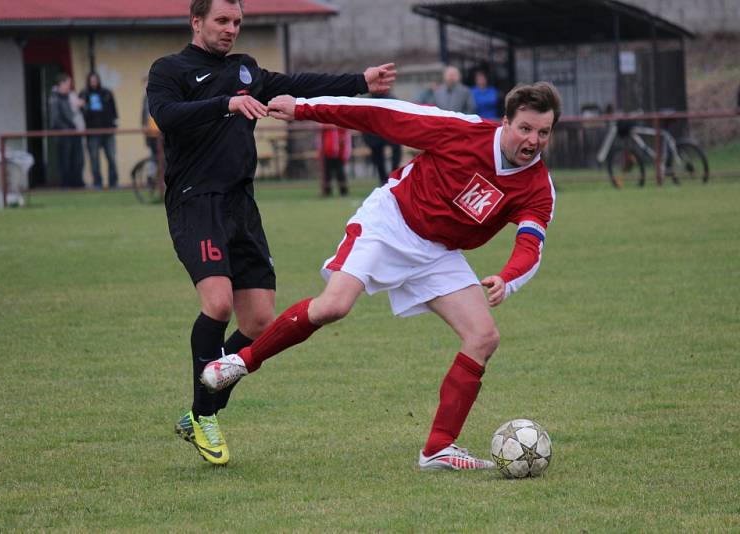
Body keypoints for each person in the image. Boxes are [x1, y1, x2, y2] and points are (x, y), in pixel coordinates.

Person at [203, 81, 561, 471]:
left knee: (483, 336)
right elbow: (379, 115)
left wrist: (506, 278)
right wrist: (304, 108)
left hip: (438, 253)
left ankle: (438, 449)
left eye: (543, 132)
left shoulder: (538, 187)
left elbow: (531, 245)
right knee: (334, 306)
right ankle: (240, 361)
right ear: (505, 122)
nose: (533, 140)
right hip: (390, 222)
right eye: (525, 128)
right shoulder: (461, 130)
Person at [146, 0, 396, 466]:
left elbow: (299, 84)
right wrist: (226, 103)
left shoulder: (246, 69)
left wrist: (360, 82)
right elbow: (166, 114)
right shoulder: (170, 68)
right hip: (197, 202)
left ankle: (198, 413)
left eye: (237, 22)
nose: (231, 29)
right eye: (222, 20)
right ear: (196, 21)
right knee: (218, 304)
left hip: (242, 206)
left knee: (260, 323)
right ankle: (205, 417)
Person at [80, 72, 119, 189]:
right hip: (92, 132)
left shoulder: (106, 92)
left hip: (108, 130)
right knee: (94, 159)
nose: (93, 82)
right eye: (91, 80)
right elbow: (80, 113)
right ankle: (97, 183)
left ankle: (113, 183)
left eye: (95, 79)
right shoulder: (84, 94)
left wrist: (114, 124)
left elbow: (114, 110)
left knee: (111, 157)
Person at [48, 73, 84, 188]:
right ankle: (66, 184)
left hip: (74, 133)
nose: (70, 86)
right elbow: (55, 119)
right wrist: (69, 128)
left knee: (78, 159)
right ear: (61, 84)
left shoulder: (70, 96)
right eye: (68, 83)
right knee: (65, 161)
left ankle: (77, 183)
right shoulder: (55, 98)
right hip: (64, 135)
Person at [363, 91, 403, 185]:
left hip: (389, 131)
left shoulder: (391, 99)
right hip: (375, 133)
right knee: (378, 154)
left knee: (396, 149)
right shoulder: (368, 102)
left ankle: (393, 176)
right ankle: (384, 179)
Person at [318, 123, 351, 196]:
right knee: (327, 173)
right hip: (327, 151)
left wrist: (345, 152)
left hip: (339, 152)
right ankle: (327, 192)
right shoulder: (325, 123)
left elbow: (346, 136)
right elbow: (321, 136)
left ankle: (344, 192)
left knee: (340, 173)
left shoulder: (340, 122)